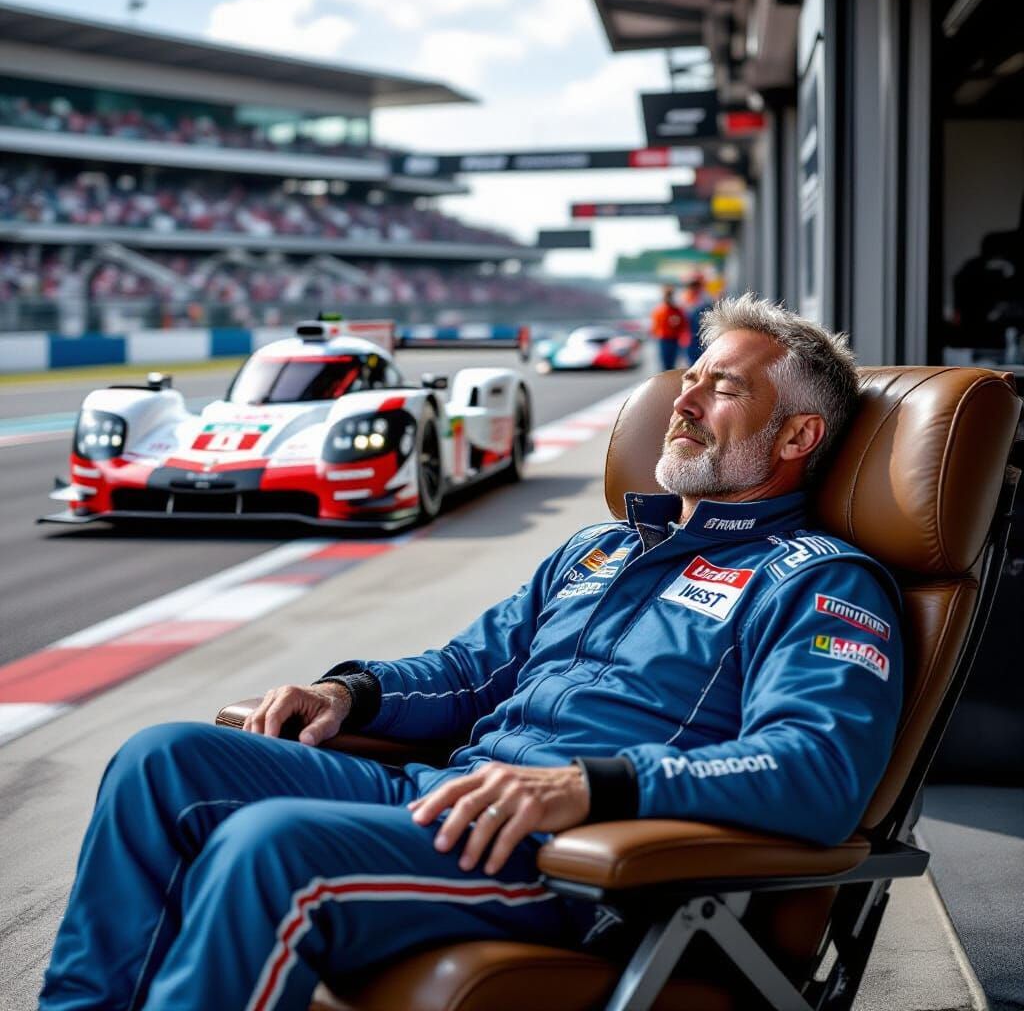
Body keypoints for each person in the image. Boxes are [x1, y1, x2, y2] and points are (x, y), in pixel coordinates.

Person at [41, 294, 903, 1011]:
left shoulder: (822, 582)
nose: (681, 403)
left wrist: (590, 785)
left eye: (723, 390)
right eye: (689, 381)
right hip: (450, 800)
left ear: (796, 439)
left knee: (272, 845)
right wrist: (350, 693)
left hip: (578, 863)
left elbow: (815, 772)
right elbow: (463, 672)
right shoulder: (597, 552)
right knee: (162, 759)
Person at [650, 284, 690, 371]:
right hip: (664, 339)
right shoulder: (659, 311)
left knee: (671, 364)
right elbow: (655, 327)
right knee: (665, 364)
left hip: (674, 339)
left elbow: (683, 325)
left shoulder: (677, 310)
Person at [681, 275, 715, 367]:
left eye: (695, 286)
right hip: (689, 337)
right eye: (691, 286)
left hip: (702, 336)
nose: (693, 288)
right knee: (692, 362)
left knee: (702, 361)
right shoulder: (685, 299)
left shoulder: (705, 299)